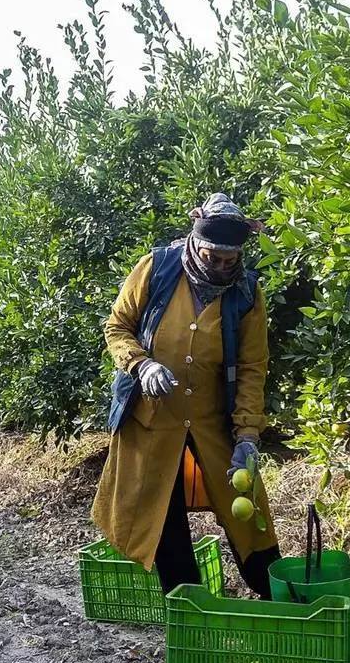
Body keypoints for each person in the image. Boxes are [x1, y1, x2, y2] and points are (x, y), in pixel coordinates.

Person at [92, 192, 281, 598]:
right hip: (151, 423)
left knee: (249, 516)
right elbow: (117, 327)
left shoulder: (246, 292)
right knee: (162, 518)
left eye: (229, 261)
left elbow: (252, 367)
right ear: (196, 242)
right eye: (212, 257)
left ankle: (278, 600)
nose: (219, 267)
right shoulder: (155, 269)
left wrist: (247, 435)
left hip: (213, 423)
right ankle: (190, 610)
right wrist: (142, 365)